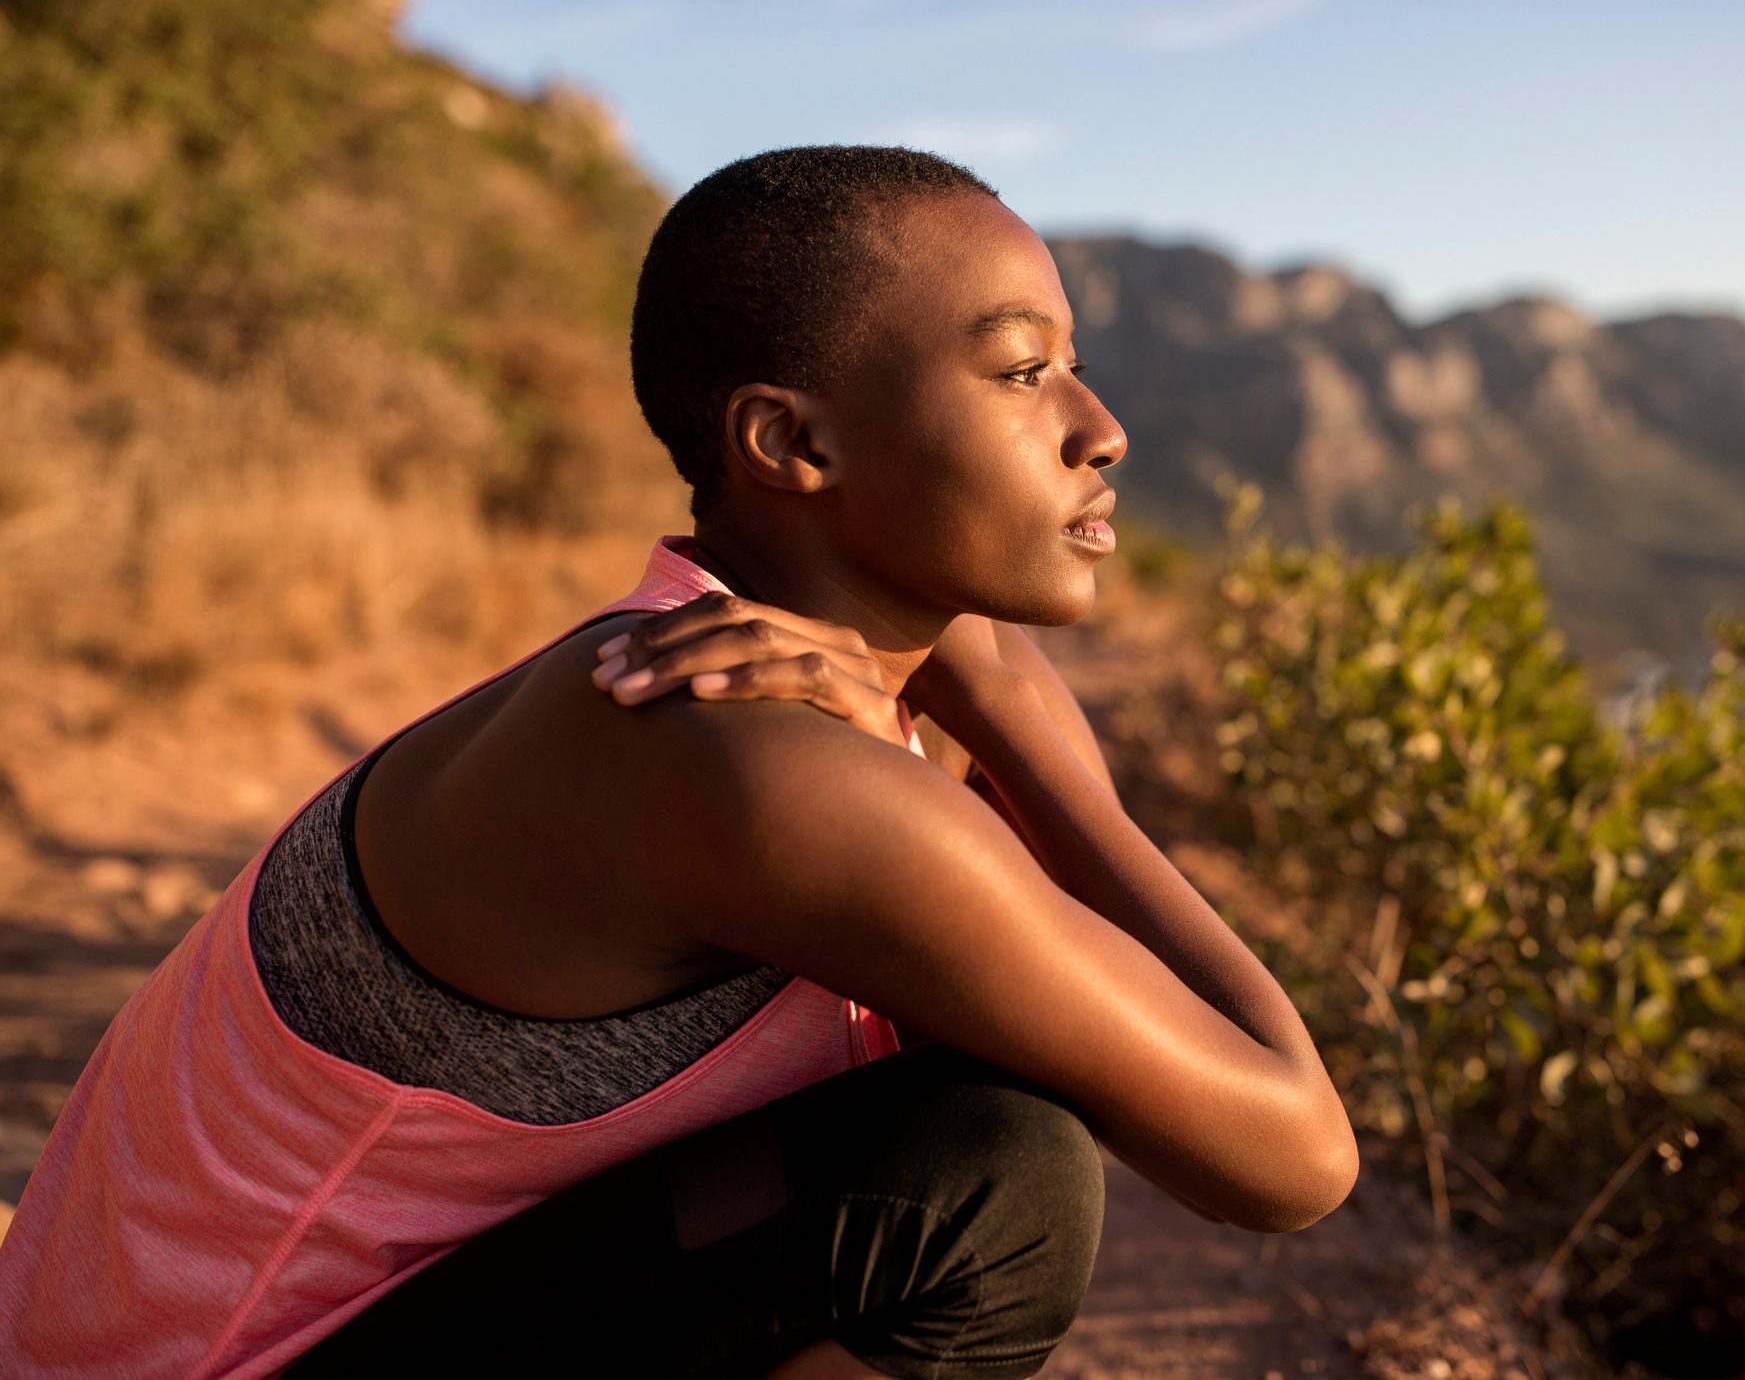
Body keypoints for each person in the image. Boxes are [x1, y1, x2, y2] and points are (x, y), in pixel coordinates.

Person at [0, 144, 1357, 1378]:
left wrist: (959, 675)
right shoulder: (740, 756)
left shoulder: (704, 683)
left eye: (1071, 363)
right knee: (988, 1189)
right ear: (791, 442)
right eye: (1019, 371)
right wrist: (1003, 702)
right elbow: (1291, 1155)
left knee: (967, 1136)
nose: (1098, 424)